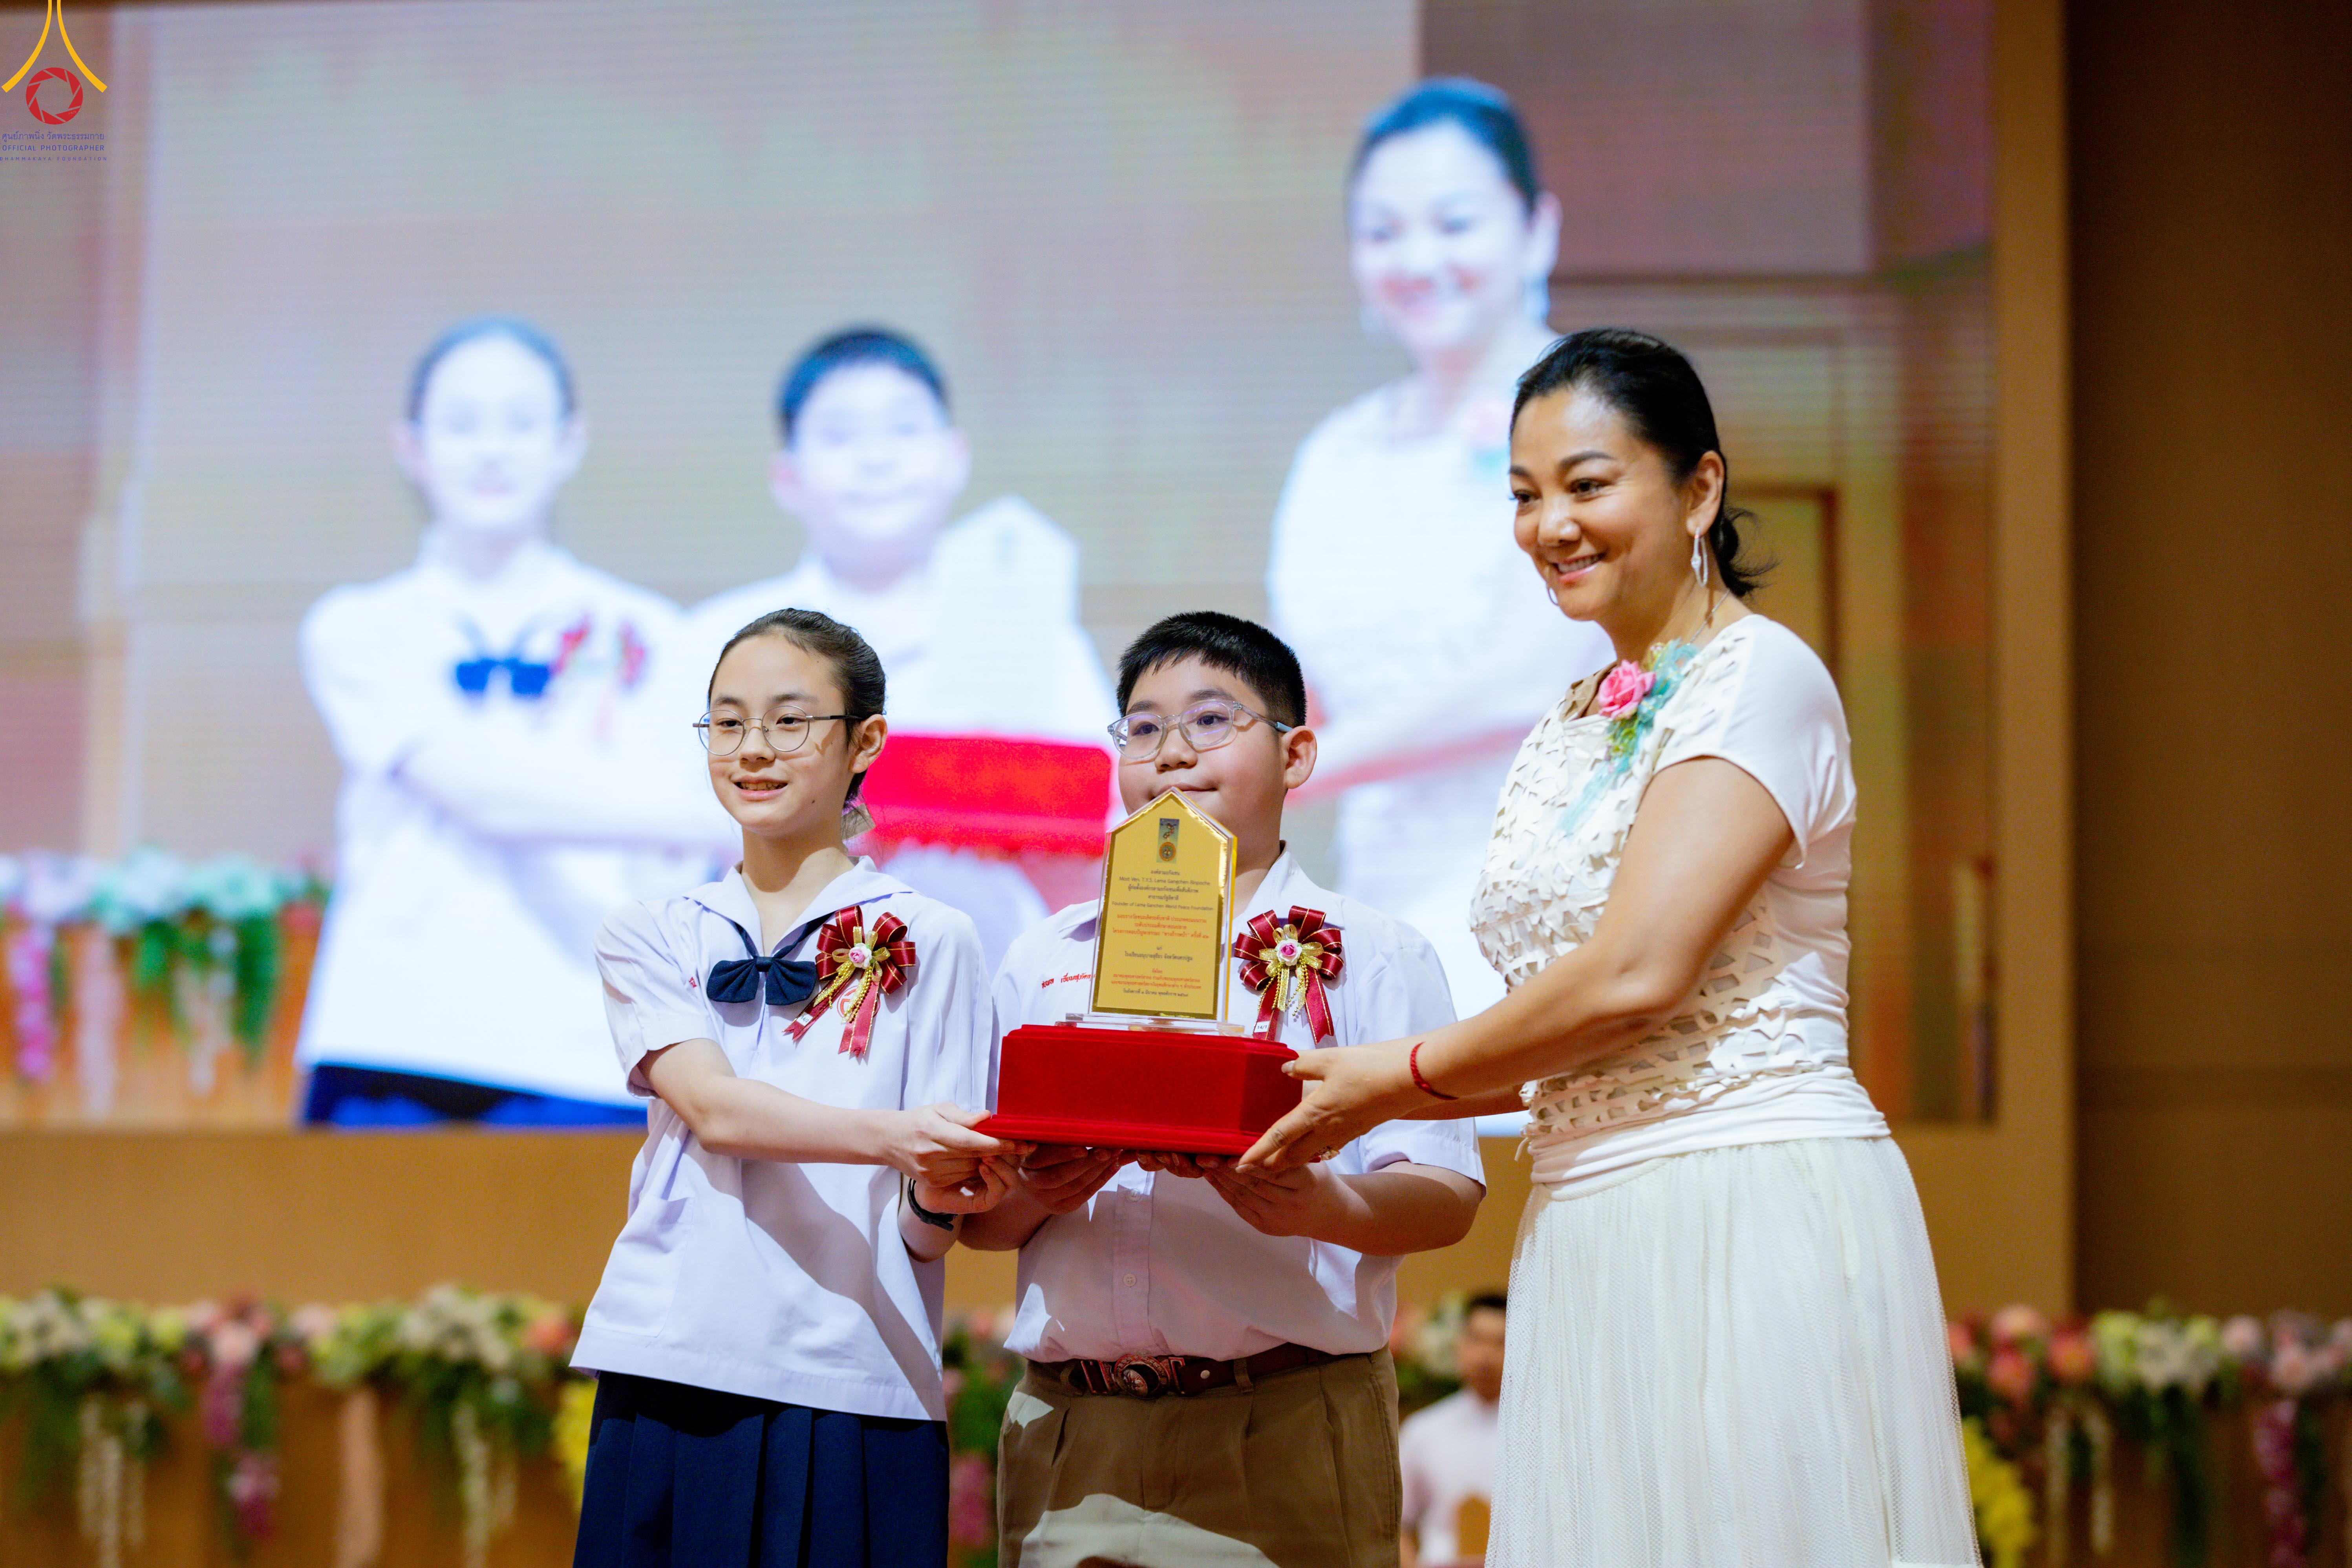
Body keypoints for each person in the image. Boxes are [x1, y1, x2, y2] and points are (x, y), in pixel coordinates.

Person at [1243, 331, 1978, 1567]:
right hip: (1589, 1215)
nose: (1547, 526)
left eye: (1586, 484)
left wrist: (1396, 1069)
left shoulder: (1763, 677)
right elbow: (1559, 1035)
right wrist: (1333, 1097)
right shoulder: (1574, 718)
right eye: (1524, 496)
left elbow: (1639, 974)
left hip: (1740, 1198)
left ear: (1697, 487)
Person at [962, 611, 1487, 1568]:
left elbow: (1445, 1195)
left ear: (1296, 754)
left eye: (1210, 721)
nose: (1170, 753)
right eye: (1141, 727)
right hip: (1074, 1427)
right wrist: (1039, 1188)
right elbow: (983, 1220)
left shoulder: (1373, 951)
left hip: (1283, 1417)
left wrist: (1321, 1202)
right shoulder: (1045, 954)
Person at [570, 609, 1016, 1568]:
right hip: (672, 1353)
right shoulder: (653, 928)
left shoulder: (932, 934)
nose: (753, 751)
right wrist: (897, 1136)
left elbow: (923, 1219)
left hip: (857, 1367)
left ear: (864, 742)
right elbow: (717, 1111)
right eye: (726, 724)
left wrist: (942, 1190)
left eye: (788, 721)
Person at [296, 317, 731, 1126]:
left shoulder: (653, 632)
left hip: (576, 1033)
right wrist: (724, 816)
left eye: (521, 423)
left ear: (570, 442)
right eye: (461, 424)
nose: (491, 449)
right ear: (410, 445)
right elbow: (486, 799)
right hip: (392, 1026)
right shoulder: (359, 626)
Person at [1268, 80, 1613, 1021]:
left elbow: (1520, 680)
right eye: (1381, 232)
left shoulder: (1595, 417)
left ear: (1535, 230)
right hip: (1378, 900)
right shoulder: (1335, 455)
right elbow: (1308, 693)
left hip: (1555, 906)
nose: (1416, 258)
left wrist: (1288, 766)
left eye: (1453, 222)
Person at [685, 328, 1118, 972]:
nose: (876, 457)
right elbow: (671, 841)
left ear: (955, 455)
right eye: (839, 436)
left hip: (985, 1000)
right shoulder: (717, 637)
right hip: (771, 1009)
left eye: (905, 429)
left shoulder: (1039, 638)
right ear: (786, 475)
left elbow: (1106, 845)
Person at [1398, 1292, 1505, 1568]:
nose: (1485, 1355)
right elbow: (1395, 1524)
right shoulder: (1423, 1429)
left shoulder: (1540, 1435)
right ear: (1460, 1342)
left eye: (1501, 1342)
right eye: (1476, 1339)